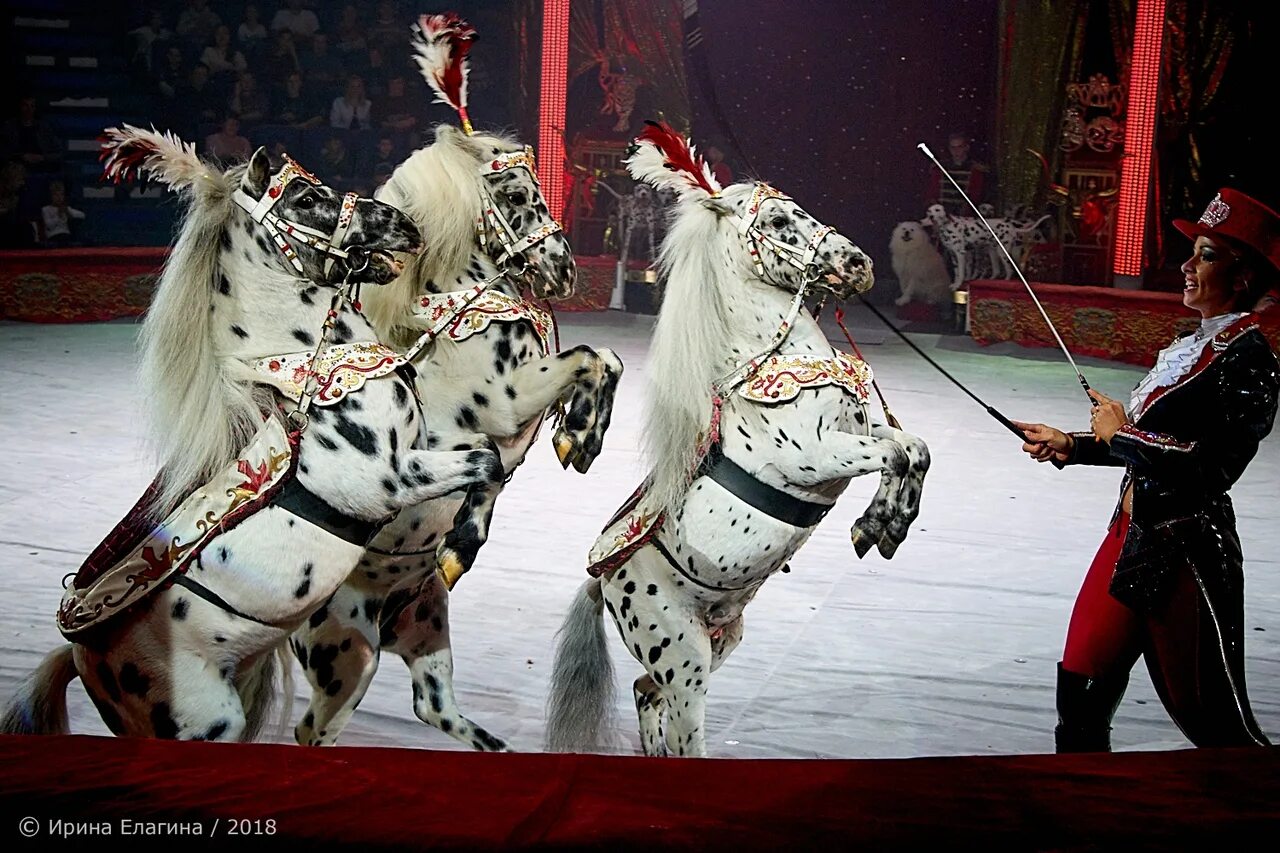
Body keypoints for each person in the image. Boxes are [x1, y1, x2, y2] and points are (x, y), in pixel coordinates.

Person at [1013, 187, 1280, 753]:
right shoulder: (1195, 346)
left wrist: (1122, 433)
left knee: (1215, 725)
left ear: (1244, 276)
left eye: (1206, 255)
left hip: (1184, 553)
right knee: (1079, 690)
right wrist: (1074, 444)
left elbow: (1209, 468)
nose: (1186, 265)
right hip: (1128, 536)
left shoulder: (1250, 360)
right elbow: (1142, 443)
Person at [927, 131, 989, 215]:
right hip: (943, 215)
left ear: (966, 147)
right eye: (953, 147)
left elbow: (976, 196)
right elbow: (933, 194)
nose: (956, 151)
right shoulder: (939, 168)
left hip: (966, 218)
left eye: (959, 147)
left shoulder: (976, 170)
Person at [40, 179, 85, 247]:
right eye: (56, 195)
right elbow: (49, 225)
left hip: (66, 236)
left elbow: (82, 215)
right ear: (51, 196)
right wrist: (59, 214)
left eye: (61, 194)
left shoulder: (66, 208)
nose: (59, 197)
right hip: (53, 237)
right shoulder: (46, 209)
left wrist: (68, 213)